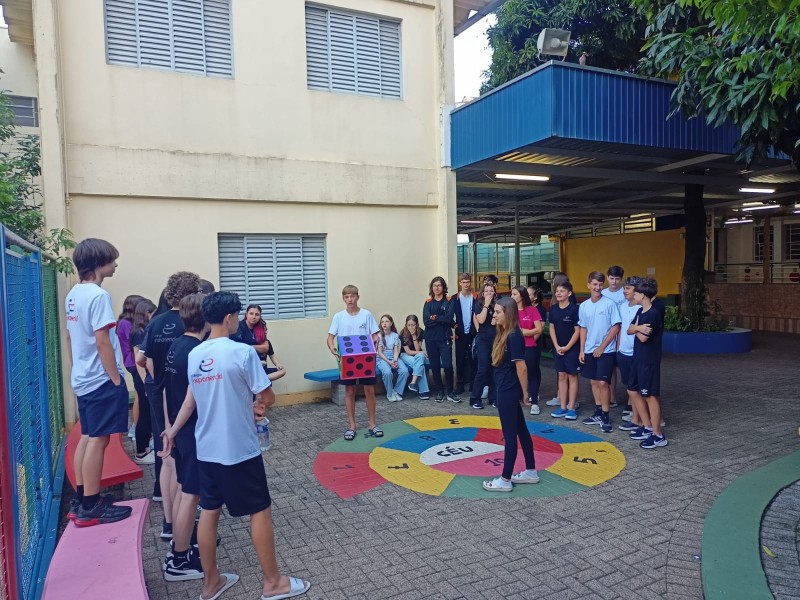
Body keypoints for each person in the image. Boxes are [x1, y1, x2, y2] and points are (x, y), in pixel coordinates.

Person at [161, 292, 311, 600]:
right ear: (229, 318)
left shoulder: (196, 354)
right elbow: (267, 395)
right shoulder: (242, 353)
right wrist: (258, 403)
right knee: (260, 510)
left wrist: (171, 431)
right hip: (239, 448)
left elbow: (190, 401)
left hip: (206, 449)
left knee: (209, 511)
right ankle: (273, 583)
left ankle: (211, 583)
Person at [65, 238, 132, 526]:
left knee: (89, 435)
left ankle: (82, 499)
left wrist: (78, 367)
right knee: (99, 439)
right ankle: (91, 506)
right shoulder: (98, 296)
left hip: (83, 376)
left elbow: (70, 337)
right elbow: (102, 340)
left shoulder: (74, 294)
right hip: (100, 378)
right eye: (111, 260)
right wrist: (116, 379)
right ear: (98, 263)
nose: (115, 265)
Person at [138, 271, 202, 539]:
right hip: (184, 396)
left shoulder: (157, 322)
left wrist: (157, 381)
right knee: (183, 457)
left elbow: (142, 360)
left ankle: (168, 522)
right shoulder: (194, 323)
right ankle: (183, 524)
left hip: (159, 394)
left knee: (166, 455)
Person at [162, 293, 207, 581]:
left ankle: (180, 548)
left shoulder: (176, 345)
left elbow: (168, 391)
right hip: (189, 430)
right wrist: (174, 431)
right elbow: (190, 401)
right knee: (191, 494)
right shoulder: (197, 352)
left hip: (179, 429)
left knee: (183, 489)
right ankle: (179, 560)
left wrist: (169, 428)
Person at [482, 297, 539, 492]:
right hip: (505, 388)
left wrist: (525, 393)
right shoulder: (504, 333)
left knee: (510, 435)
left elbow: (521, 367)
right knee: (521, 430)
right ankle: (531, 471)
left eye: (498, 312)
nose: (494, 315)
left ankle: (505, 479)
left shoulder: (514, 336)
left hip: (508, 390)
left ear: (508, 313)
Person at [327, 285, 382, 441]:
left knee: (369, 390)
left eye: (352, 296)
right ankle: (352, 426)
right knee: (349, 391)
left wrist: (376, 340)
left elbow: (375, 335)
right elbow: (330, 338)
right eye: (347, 297)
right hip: (347, 360)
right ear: (343, 298)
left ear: (357, 296)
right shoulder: (339, 317)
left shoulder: (367, 315)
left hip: (366, 359)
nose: (350, 299)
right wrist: (332, 348)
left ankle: (372, 424)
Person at [627, 278, 668, 449]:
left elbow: (643, 338)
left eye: (635, 292)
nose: (632, 295)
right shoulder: (640, 311)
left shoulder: (653, 313)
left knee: (650, 396)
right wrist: (637, 328)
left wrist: (635, 329)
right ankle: (647, 426)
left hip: (648, 360)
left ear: (643, 295)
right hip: (638, 358)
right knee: (632, 389)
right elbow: (629, 329)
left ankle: (658, 435)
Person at [579, 272, 621, 434]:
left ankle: (605, 415)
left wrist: (602, 347)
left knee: (603, 383)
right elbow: (583, 328)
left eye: (600, 284)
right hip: (589, 350)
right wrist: (582, 350)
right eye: (595, 284)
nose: (597, 287)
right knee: (594, 382)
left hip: (606, 351)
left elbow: (616, 327)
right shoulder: (584, 306)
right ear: (588, 285)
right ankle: (597, 412)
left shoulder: (609, 304)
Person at [422, 276, 459, 403]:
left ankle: (450, 392)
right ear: (432, 288)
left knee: (448, 366)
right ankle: (439, 391)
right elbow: (426, 321)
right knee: (435, 366)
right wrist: (441, 319)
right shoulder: (428, 302)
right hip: (430, 339)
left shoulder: (449, 301)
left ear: (443, 287)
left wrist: (434, 317)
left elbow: (449, 318)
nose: (437, 288)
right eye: (434, 285)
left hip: (445, 339)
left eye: (439, 285)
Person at [616, 277, 644, 434]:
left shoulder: (641, 309)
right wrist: (619, 347)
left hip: (636, 353)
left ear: (636, 291)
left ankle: (637, 420)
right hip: (623, 352)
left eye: (628, 288)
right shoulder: (622, 306)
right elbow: (621, 328)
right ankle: (636, 417)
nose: (625, 291)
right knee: (629, 386)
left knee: (636, 388)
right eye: (624, 288)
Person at [549, 282, 581, 420]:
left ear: (569, 293)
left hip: (572, 349)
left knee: (572, 376)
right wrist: (556, 346)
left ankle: (571, 407)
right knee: (561, 376)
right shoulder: (554, 309)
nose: (558, 293)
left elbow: (577, 330)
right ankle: (562, 407)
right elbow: (551, 328)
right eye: (557, 291)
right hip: (558, 349)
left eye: (562, 291)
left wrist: (567, 347)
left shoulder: (574, 309)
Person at [130, 298, 156, 465]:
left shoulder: (141, 330)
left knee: (146, 415)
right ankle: (141, 452)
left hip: (144, 378)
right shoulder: (139, 333)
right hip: (143, 379)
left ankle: (145, 448)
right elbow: (138, 360)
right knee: (144, 416)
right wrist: (146, 384)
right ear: (147, 313)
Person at [232, 305, 285, 382]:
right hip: (247, 368)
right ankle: (260, 380)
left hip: (262, 369)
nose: (254, 317)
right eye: (251, 313)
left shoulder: (261, 329)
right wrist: (258, 349)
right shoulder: (239, 327)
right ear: (246, 314)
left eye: (257, 314)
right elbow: (238, 349)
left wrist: (278, 365)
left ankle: (261, 380)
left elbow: (269, 351)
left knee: (282, 371)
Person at [512, 285, 543, 414]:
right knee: (514, 373)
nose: (512, 297)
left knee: (532, 374)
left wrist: (524, 332)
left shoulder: (532, 310)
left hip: (530, 346)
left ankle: (534, 402)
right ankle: (517, 398)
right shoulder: (510, 311)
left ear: (522, 296)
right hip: (514, 346)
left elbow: (539, 329)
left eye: (514, 294)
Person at [117, 294, 144, 441]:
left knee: (140, 394)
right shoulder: (126, 324)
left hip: (130, 361)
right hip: (133, 362)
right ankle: (135, 427)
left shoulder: (123, 322)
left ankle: (136, 426)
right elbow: (135, 341)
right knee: (139, 395)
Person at [601, 265, 626, 411]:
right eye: (611, 278)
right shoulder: (603, 293)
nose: (614, 282)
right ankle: (611, 396)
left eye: (617, 279)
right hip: (607, 333)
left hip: (624, 333)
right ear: (607, 277)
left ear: (621, 279)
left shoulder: (625, 293)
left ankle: (631, 400)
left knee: (624, 367)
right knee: (610, 368)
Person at [469, 283, 498, 410]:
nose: (489, 293)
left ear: (495, 293)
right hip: (483, 340)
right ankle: (475, 398)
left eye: (491, 291)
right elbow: (480, 320)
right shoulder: (478, 305)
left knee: (495, 368)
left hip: (496, 340)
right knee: (483, 369)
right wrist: (486, 304)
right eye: (486, 291)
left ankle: (494, 398)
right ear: (482, 293)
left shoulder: (498, 305)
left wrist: (497, 321)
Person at [453, 273, 477, 395]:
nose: (466, 284)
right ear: (460, 283)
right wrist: (454, 326)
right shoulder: (455, 298)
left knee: (474, 359)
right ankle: (460, 385)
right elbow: (449, 315)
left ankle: (473, 384)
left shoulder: (476, 297)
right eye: (463, 282)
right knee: (460, 360)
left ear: (470, 283)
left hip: (473, 333)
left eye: (468, 282)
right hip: (460, 334)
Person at [376, 314, 408, 402]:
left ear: (391, 323)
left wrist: (395, 360)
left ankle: (397, 392)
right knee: (387, 373)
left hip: (393, 356)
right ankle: (390, 393)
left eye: (387, 321)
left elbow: (396, 350)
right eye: (382, 322)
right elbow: (380, 353)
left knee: (404, 371)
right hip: (382, 358)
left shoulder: (395, 335)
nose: (384, 323)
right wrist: (389, 362)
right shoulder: (379, 336)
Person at [399, 315, 430, 400]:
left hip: (417, 354)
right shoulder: (403, 333)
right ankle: (423, 392)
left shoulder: (420, 331)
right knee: (420, 365)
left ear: (417, 324)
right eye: (408, 325)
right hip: (405, 355)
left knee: (420, 359)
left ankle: (413, 382)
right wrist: (421, 352)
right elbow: (408, 352)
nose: (410, 327)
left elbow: (417, 349)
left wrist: (414, 336)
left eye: (413, 325)